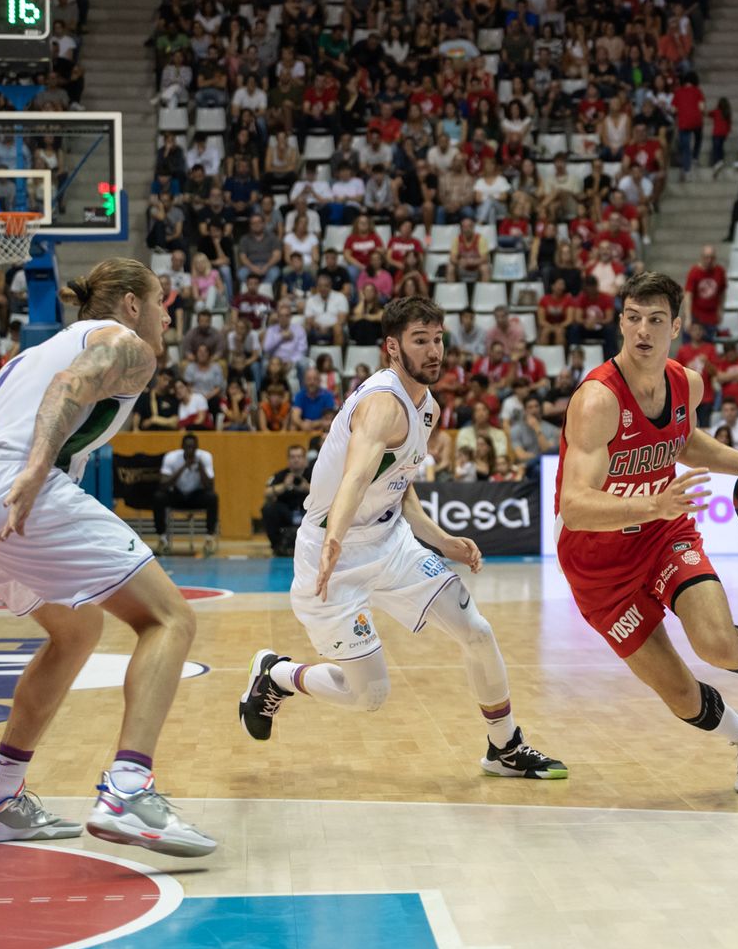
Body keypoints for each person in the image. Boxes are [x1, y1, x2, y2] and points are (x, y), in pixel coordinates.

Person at [0, 259, 215, 857]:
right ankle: (127, 789)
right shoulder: (127, 344)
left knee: (76, 629)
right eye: (162, 301)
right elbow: (72, 390)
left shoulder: (23, 359)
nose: (169, 314)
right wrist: (39, 465)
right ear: (132, 306)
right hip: (17, 487)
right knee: (170, 619)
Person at [237, 296, 567, 780]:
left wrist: (439, 537)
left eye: (438, 340)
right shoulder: (381, 406)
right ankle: (278, 675)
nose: (435, 351)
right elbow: (355, 477)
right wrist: (332, 543)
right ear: (393, 347)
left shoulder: (427, 407)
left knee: (476, 631)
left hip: (391, 544)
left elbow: (398, 482)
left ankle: (505, 747)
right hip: (333, 554)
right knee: (369, 695)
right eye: (421, 341)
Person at [555, 272, 738, 796]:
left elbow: (684, 441)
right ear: (621, 322)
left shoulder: (687, 383)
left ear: (675, 326)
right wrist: (652, 501)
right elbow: (574, 506)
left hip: (663, 534)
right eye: (633, 318)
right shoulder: (597, 400)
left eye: (655, 320)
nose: (642, 331)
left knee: (717, 643)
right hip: (598, 565)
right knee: (680, 694)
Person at [156, 433, 219, 554]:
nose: (190, 450)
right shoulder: (171, 457)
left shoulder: (205, 457)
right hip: (178, 494)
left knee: (213, 497)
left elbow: (210, 486)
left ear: (197, 448)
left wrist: (200, 467)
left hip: (196, 495)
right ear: (182, 447)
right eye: (187, 447)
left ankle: (209, 539)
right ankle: (162, 539)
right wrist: (184, 467)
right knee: (159, 497)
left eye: (193, 447)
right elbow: (163, 485)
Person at [262, 444, 313, 556]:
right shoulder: (281, 475)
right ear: (288, 459)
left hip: (307, 512)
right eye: (293, 457)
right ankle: (277, 546)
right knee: (268, 508)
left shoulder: (313, 474)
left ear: (304, 459)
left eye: (299, 457)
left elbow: (324, 492)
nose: (296, 460)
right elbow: (267, 492)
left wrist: (306, 488)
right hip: (287, 513)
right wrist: (284, 486)